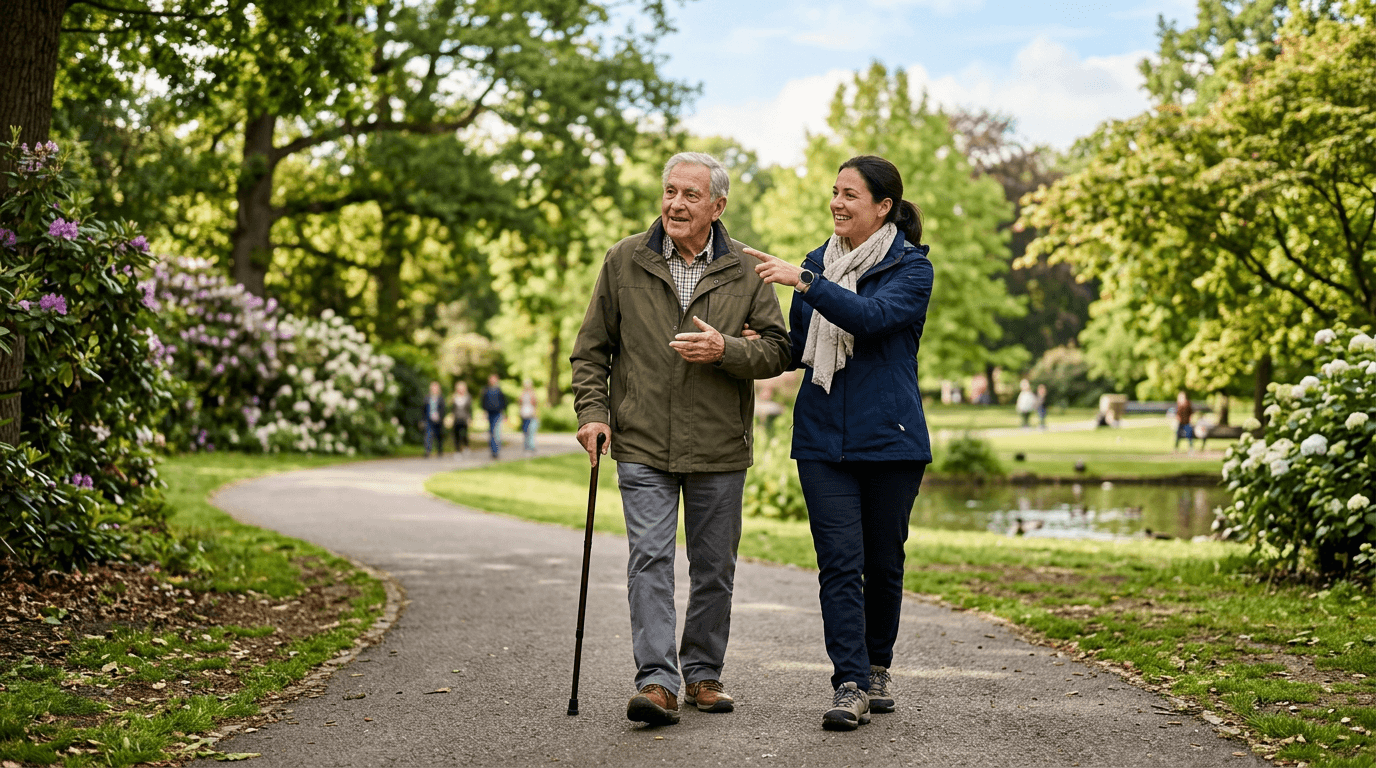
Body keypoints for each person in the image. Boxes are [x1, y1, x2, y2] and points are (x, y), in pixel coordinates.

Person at [571, 151, 791, 726]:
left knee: (714, 567)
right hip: (643, 441)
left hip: (719, 445)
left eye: (691, 195)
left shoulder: (746, 269)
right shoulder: (624, 259)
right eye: (670, 191)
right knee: (649, 559)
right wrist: (593, 414)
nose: (676, 203)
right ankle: (657, 682)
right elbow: (592, 351)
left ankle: (702, 674)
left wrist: (727, 350)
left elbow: (778, 349)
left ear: (718, 206)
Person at [748, 155, 933, 731]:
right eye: (835, 192)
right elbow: (801, 346)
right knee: (838, 563)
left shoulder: (912, 269)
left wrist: (807, 283)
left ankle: (877, 667)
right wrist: (744, 343)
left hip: (892, 442)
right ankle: (848, 682)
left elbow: (871, 318)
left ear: (883, 208)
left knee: (882, 564)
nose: (837, 203)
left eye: (850, 194)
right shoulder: (816, 264)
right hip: (823, 439)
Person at [481, 374, 507, 459]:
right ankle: (493, 451)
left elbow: (503, 402)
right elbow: (483, 402)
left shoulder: (499, 390)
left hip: (498, 414)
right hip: (490, 413)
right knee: (491, 432)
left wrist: (504, 413)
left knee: (496, 433)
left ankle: (496, 451)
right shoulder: (486, 390)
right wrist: (484, 412)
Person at [422, 381, 446, 458]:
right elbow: (423, 410)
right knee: (428, 435)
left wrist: (440, 417)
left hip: (438, 420)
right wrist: (423, 420)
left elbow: (443, 410)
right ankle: (428, 451)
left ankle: (439, 451)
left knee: (438, 436)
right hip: (429, 419)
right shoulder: (427, 398)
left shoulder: (441, 398)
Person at [518, 379, 539, 453]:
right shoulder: (522, 394)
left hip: (531, 414)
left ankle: (531, 446)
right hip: (524, 414)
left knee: (531, 431)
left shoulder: (532, 394)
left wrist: (535, 413)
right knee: (525, 430)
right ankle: (526, 446)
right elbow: (519, 403)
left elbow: (535, 404)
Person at [451, 381, 472, 453]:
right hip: (456, 418)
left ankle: (466, 447)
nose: (460, 390)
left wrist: (470, 418)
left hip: (464, 419)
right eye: (459, 388)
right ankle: (457, 450)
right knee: (456, 435)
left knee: (464, 434)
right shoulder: (454, 397)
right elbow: (452, 409)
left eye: (462, 388)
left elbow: (470, 409)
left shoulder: (468, 397)